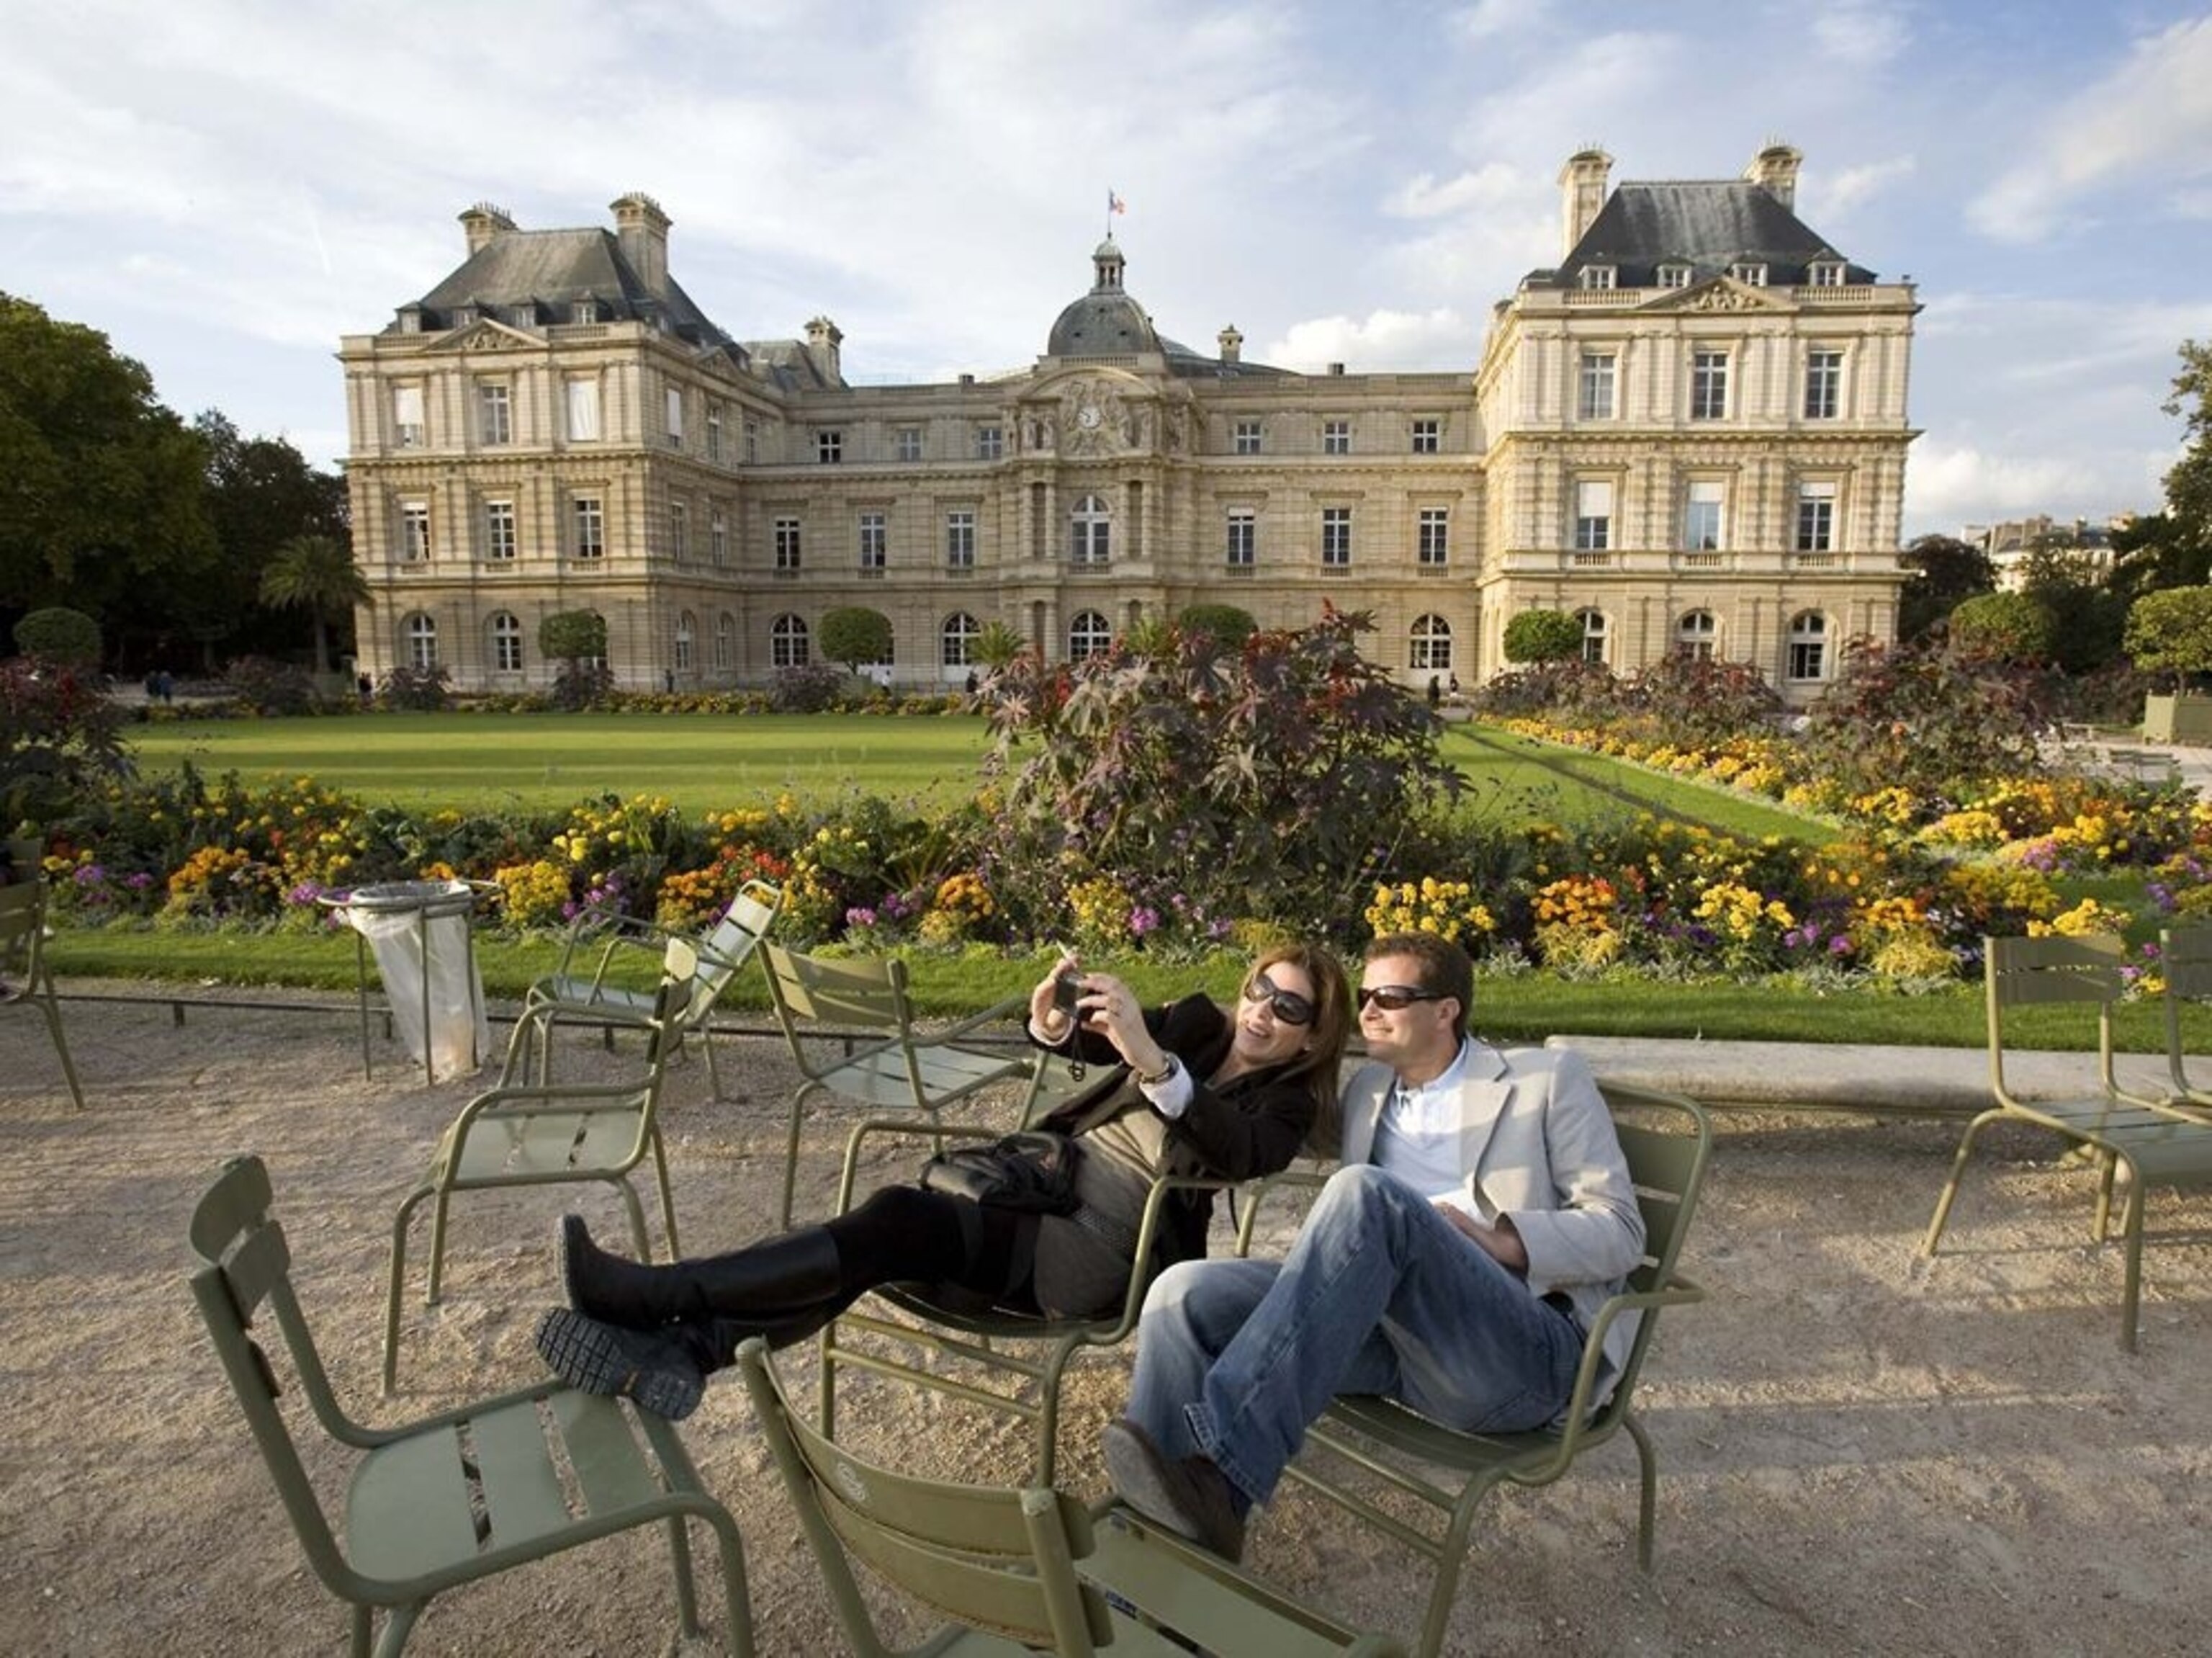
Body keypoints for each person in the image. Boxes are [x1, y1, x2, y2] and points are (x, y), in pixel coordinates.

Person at [534, 941, 1354, 1420]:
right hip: (1040, 1192)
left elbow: (1234, 1145)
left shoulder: (1283, 1109)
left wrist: (1156, 1061)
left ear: (1313, 1037)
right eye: (1262, 989)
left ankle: (657, 1305)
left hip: (1098, 1254)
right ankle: (684, 1346)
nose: (1263, 1011)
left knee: (892, 1224)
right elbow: (1094, 1048)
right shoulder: (1199, 1022)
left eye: (1290, 1009)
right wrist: (1054, 1021)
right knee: (885, 1233)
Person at [1100, 931, 1644, 1562]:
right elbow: (1259, 1126)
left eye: (1390, 997)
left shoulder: (1545, 1080)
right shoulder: (1366, 1094)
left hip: (1518, 1352)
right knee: (1184, 1291)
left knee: (1368, 1192)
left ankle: (1222, 1469)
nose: (1366, 1013)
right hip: (1394, 1343)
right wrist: (1185, 1041)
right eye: (1364, 997)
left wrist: (1502, 1240)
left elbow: (1622, 1230)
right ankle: (1164, 1553)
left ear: (1446, 1011)